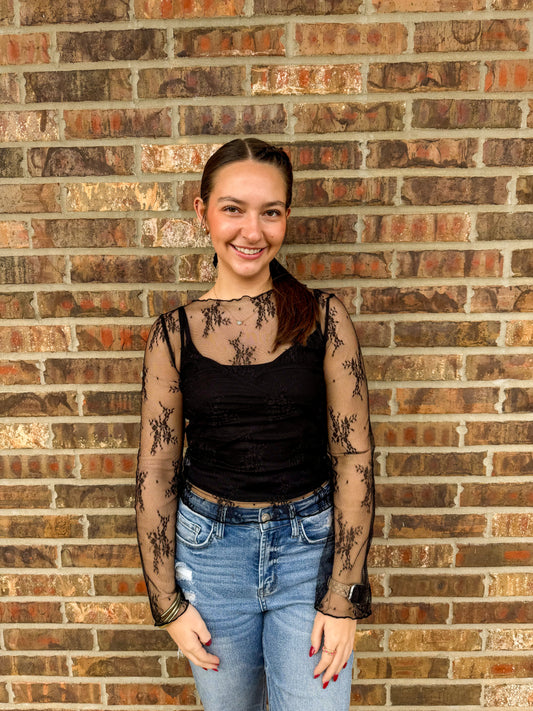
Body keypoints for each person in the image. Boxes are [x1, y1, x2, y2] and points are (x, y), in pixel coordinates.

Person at [135, 137, 375, 711]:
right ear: (203, 213)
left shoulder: (323, 318)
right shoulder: (174, 334)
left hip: (308, 553)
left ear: (286, 217)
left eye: (270, 212)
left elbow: (354, 458)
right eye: (233, 209)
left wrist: (343, 596)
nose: (252, 230)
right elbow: (157, 467)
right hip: (211, 558)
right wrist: (165, 600)